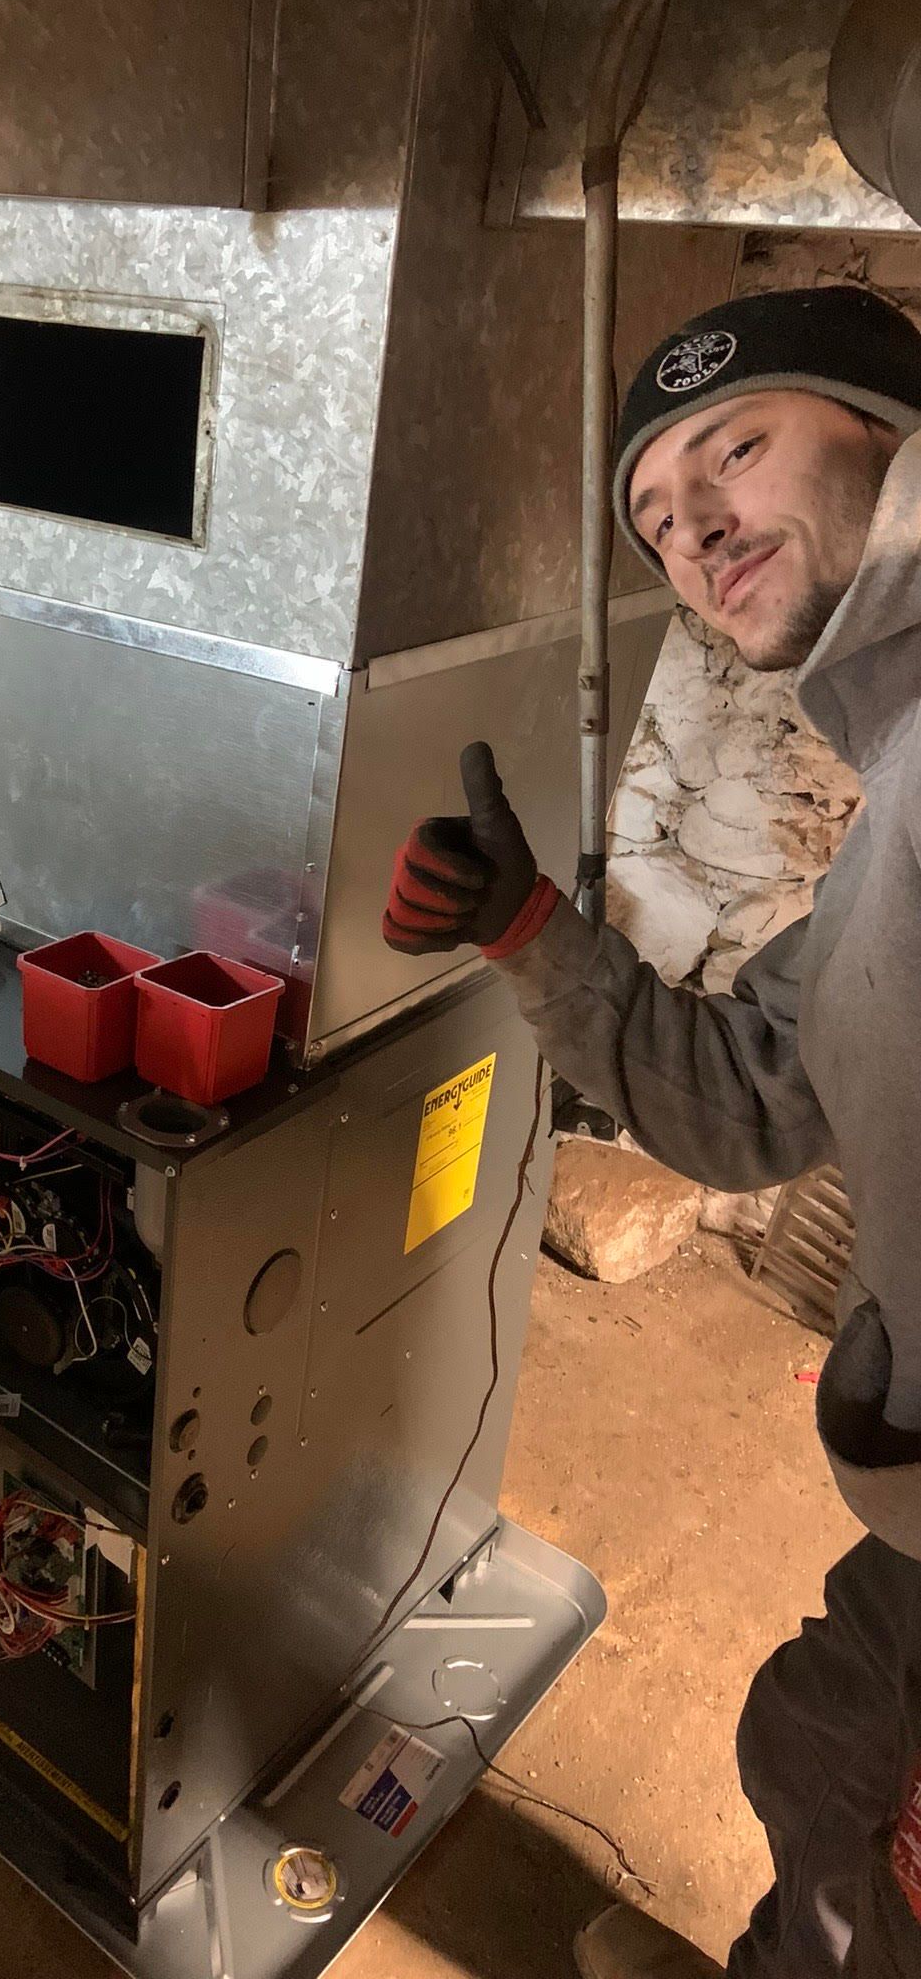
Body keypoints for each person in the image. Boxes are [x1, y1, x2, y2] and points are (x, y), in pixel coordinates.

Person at [382, 284, 921, 1979]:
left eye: (736, 449)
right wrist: (533, 929)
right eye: (654, 516)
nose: (690, 526)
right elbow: (757, 1099)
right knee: (826, 1755)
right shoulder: (889, 805)